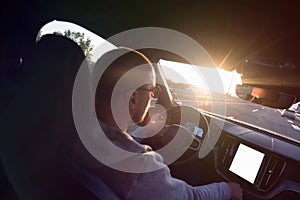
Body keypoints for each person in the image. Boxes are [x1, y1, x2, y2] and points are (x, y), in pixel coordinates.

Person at [91, 47, 243, 200]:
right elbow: (189, 197)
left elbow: (116, 140)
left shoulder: (75, 134)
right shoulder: (139, 167)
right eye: (152, 92)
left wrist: (144, 133)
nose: (153, 99)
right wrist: (226, 190)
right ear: (133, 99)